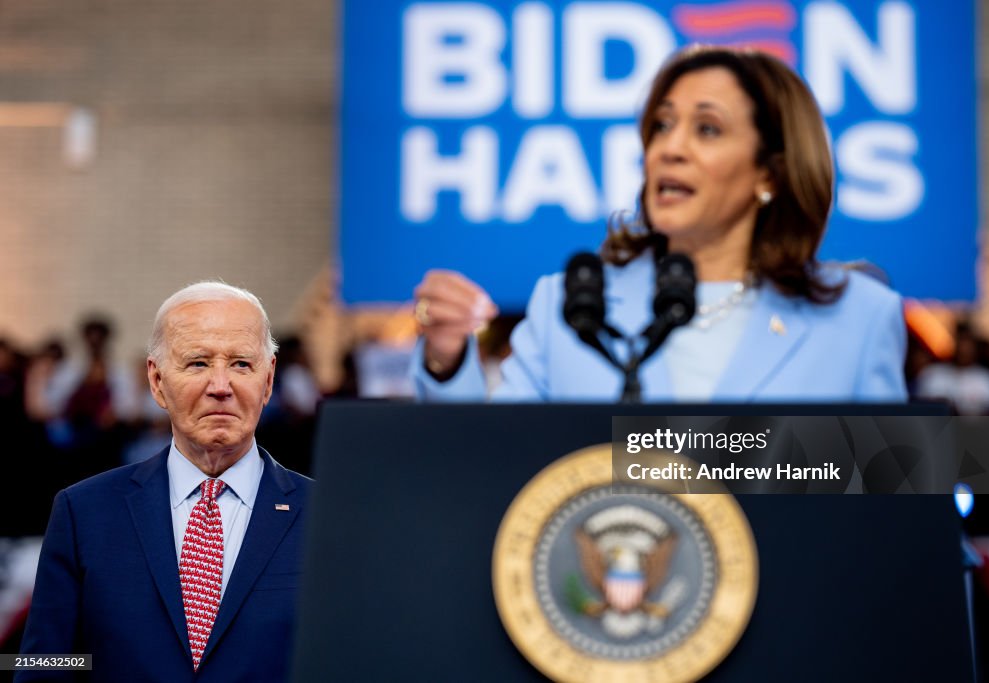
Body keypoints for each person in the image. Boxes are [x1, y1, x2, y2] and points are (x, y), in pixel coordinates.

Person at [411, 45, 907, 403]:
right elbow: (496, 471)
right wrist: (447, 361)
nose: (670, 148)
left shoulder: (860, 319)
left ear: (769, 173)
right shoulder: (566, 308)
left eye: (707, 129)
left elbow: (891, 514)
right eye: (663, 125)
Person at [18, 282, 312, 682]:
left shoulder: (327, 515)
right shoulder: (83, 512)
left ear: (269, 379)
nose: (221, 386)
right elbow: (43, 664)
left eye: (241, 364)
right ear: (156, 381)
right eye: (198, 363)